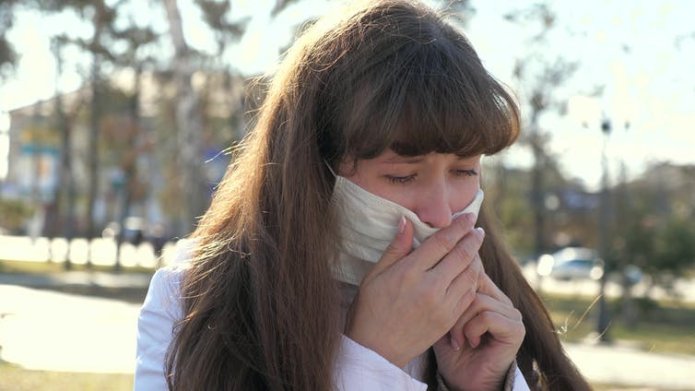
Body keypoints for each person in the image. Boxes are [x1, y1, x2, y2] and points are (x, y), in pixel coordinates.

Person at [135, 0, 591, 390]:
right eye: (402, 177)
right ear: (314, 168)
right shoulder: (189, 302)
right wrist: (374, 359)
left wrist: (483, 385)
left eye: (464, 170)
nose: (442, 210)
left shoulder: (494, 322)